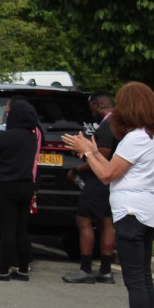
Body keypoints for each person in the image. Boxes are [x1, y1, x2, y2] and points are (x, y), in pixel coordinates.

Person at [63, 82, 154, 308]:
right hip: (144, 211)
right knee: (144, 279)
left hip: (130, 213)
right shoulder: (147, 136)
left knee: (135, 280)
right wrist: (92, 151)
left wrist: (88, 152)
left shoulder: (135, 138)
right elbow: (114, 170)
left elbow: (106, 175)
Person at [0, 98, 42, 281]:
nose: (7, 115)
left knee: (7, 230)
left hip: (4, 186)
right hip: (25, 186)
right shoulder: (31, 137)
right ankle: (23, 270)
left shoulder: (7, 136)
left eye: (8, 112)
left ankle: (3, 270)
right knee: (21, 229)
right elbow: (4, 147)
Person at [63, 92, 117, 284]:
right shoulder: (118, 123)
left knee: (84, 220)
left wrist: (77, 168)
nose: (91, 112)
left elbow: (102, 154)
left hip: (98, 180)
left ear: (99, 104)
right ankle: (105, 271)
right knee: (106, 221)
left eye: (92, 107)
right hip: (112, 180)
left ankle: (85, 269)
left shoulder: (107, 126)